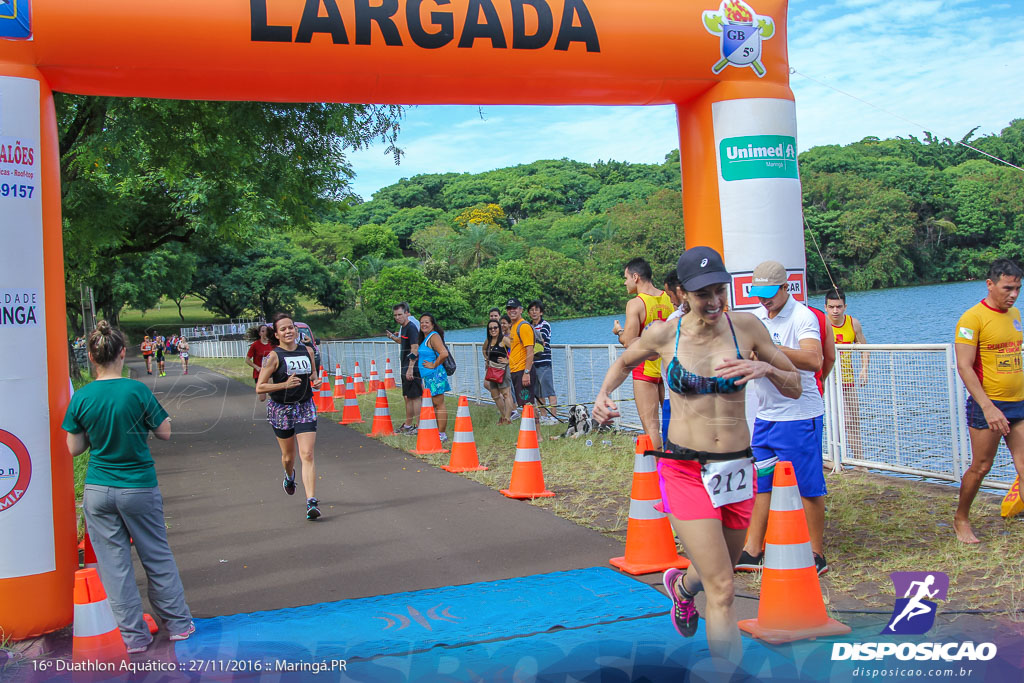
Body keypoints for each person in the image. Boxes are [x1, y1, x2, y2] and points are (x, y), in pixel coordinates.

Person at [592, 247, 800, 664]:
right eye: (703, 293)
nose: (714, 302)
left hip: (738, 469)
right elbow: (625, 363)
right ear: (683, 293)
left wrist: (769, 370)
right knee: (722, 588)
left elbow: (796, 384)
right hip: (686, 470)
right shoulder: (664, 334)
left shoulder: (747, 328)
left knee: (718, 566)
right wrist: (602, 396)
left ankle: (684, 587)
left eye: (720, 290)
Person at [62, 321, 195, 653]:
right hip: (138, 486)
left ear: (92, 356)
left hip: (98, 489)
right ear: (123, 353)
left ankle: (133, 637)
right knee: (156, 554)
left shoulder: (82, 396)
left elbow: (74, 448)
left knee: (114, 565)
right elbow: (164, 432)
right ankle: (178, 624)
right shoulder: (136, 391)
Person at [735, 261, 828, 575]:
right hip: (767, 416)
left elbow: (815, 360)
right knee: (761, 484)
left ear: (786, 288)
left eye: (770, 294)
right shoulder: (755, 318)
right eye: (759, 294)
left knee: (808, 486)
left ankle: (816, 553)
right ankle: (752, 550)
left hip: (800, 415)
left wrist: (771, 350)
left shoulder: (802, 316)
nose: (765, 300)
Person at [953, 259, 1024, 543]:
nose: (1014, 294)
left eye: (1018, 288)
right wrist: (987, 406)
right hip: (989, 405)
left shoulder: (1016, 315)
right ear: (990, 284)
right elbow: (964, 366)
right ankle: (961, 517)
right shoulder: (972, 319)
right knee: (981, 466)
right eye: (1008, 288)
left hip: (1019, 402)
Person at [256, 313, 323, 521]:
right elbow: (260, 387)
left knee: (308, 454)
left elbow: (312, 374)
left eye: (291, 327)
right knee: (288, 457)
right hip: (281, 409)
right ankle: (289, 476)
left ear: (296, 330)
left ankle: (311, 502)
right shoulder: (274, 356)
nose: (288, 331)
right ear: (276, 334)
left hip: (305, 406)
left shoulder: (307, 350)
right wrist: (284, 384)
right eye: (283, 329)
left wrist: (316, 380)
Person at [612, 258, 673, 450]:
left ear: (636, 277)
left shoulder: (636, 304)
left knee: (651, 428)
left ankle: (656, 474)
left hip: (645, 369)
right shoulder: (669, 298)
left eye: (626, 277)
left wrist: (619, 332)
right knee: (676, 423)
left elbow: (630, 342)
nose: (625, 282)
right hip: (667, 366)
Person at [826, 288, 869, 459]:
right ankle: (835, 459)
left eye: (839, 307)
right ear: (826, 307)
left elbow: (865, 348)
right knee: (836, 422)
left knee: (853, 420)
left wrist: (864, 369)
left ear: (845, 306)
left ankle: (860, 461)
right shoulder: (822, 324)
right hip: (829, 381)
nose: (835, 311)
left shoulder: (853, 323)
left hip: (848, 380)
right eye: (831, 307)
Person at [414, 313, 451, 442]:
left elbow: (444, 353)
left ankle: (442, 433)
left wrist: (434, 364)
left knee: (439, 404)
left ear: (432, 324)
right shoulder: (425, 338)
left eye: (426, 322)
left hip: (435, 375)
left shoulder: (434, 336)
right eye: (421, 322)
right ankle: (437, 431)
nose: (423, 324)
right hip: (429, 376)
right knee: (434, 404)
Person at [389, 303, 422, 433]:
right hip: (404, 366)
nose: (397, 317)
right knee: (408, 396)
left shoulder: (411, 328)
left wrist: (410, 368)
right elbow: (403, 342)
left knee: (415, 397)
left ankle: (420, 426)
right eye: (395, 315)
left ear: (407, 313)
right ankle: (408, 425)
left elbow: (415, 348)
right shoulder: (404, 328)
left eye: (400, 314)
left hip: (411, 368)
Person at [528, 300, 558, 424]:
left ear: (541, 312)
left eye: (536, 310)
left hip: (544, 362)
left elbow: (542, 340)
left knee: (549, 390)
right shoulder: (529, 326)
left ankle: (554, 417)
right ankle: (544, 416)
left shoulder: (545, 325)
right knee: (538, 392)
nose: (534, 312)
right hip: (532, 363)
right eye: (531, 310)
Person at [506, 298, 536, 412]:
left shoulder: (523, 326)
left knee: (528, 406)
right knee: (525, 406)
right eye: (509, 308)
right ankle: (530, 429)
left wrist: (526, 373)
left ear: (520, 310)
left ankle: (535, 430)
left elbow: (530, 351)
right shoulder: (514, 326)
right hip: (516, 371)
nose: (511, 311)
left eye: (514, 308)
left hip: (523, 371)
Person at [483, 318, 514, 425]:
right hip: (492, 371)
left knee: (506, 394)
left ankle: (508, 418)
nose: (493, 330)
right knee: (495, 395)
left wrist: (508, 360)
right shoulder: (488, 340)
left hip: (503, 370)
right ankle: (503, 416)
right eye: (490, 328)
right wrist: (487, 359)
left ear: (499, 328)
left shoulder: (504, 339)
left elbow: (516, 350)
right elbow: (483, 349)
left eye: (495, 327)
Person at [246, 325, 275, 403]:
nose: (265, 333)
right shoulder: (255, 345)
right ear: (259, 333)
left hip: (270, 372)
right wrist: (256, 367)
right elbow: (247, 360)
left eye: (266, 331)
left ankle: (273, 409)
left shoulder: (273, 344)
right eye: (263, 331)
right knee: (262, 398)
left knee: (272, 393)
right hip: (259, 372)